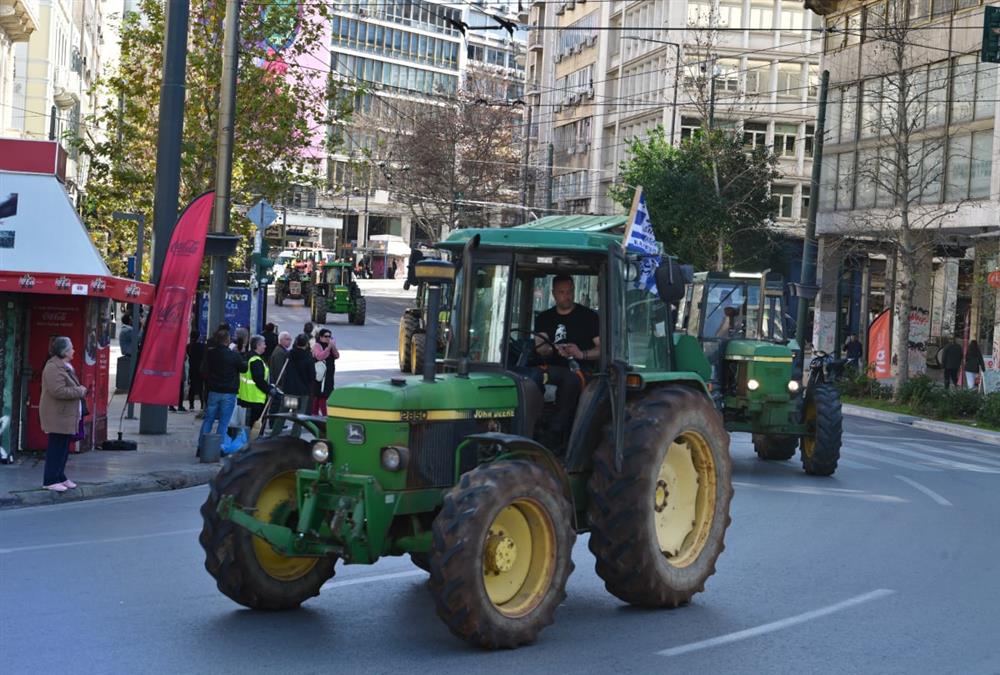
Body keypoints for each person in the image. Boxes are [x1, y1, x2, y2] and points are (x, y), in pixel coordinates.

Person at [533, 274, 600, 450]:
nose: (566, 296)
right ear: (553, 293)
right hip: (550, 367)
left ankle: (555, 435)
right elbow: (540, 347)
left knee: (569, 381)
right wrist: (553, 349)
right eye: (562, 292)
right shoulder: (544, 318)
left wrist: (581, 353)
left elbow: (602, 350)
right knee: (530, 377)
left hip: (579, 369)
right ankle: (532, 424)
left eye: (570, 291)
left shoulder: (589, 317)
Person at [39, 336, 88, 492]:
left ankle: (60, 476)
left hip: (66, 415)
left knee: (64, 448)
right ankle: (50, 480)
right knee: (56, 447)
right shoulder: (53, 367)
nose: (74, 350)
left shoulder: (65, 366)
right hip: (57, 415)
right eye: (71, 348)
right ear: (64, 351)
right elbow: (58, 391)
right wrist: (79, 391)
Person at [198, 328, 246, 454]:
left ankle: (201, 446)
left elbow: (204, 369)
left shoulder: (211, 354)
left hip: (214, 390)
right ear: (227, 340)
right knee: (224, 422)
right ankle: (219, 448)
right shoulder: (233, 355)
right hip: (229, 392)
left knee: (208, 419)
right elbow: (244, 368)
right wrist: (241, 354)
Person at [238, 335, 273, 430]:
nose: (265, 346)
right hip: (256, 399)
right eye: (263, 344)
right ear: (258, 345)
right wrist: (269, 390)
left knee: (246, 426)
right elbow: (259, 380)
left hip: (245, 397)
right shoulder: (256, 360)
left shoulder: (246, 356)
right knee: (255, 427)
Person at [311, 327, 340, 415]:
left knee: (322, 395)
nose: (328, 338)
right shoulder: (317, 346)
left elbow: (337, 356)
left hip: (329, 375)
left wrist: (333, 347)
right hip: (320, 376)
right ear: (321, 337)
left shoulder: (330, 346)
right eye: (326, 336)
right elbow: (320, 356)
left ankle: (314, 414)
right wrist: (328, 347)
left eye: (330, 336)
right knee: (321, 395)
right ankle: (323, 415)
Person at [186, 330, 206, 410]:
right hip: (200, 369)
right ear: (198, 337)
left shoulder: (188, 346)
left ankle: (191, 405)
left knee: (192, 387)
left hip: (192, 368)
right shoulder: (203, 346)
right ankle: (202, 404)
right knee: (201, 387)